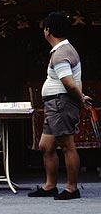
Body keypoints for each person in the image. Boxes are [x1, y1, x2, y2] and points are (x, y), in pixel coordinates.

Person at [28, 12, 92, 200]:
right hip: (55, 104)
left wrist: (79, 99)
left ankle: (72, 188)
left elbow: (69, 83)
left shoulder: (61, 53)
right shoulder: (63, 51)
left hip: (60, 104)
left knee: (67, 146)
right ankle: (50, 185)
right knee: (46, 146)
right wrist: (80, 97)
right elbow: (74, 82)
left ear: (48, 31)